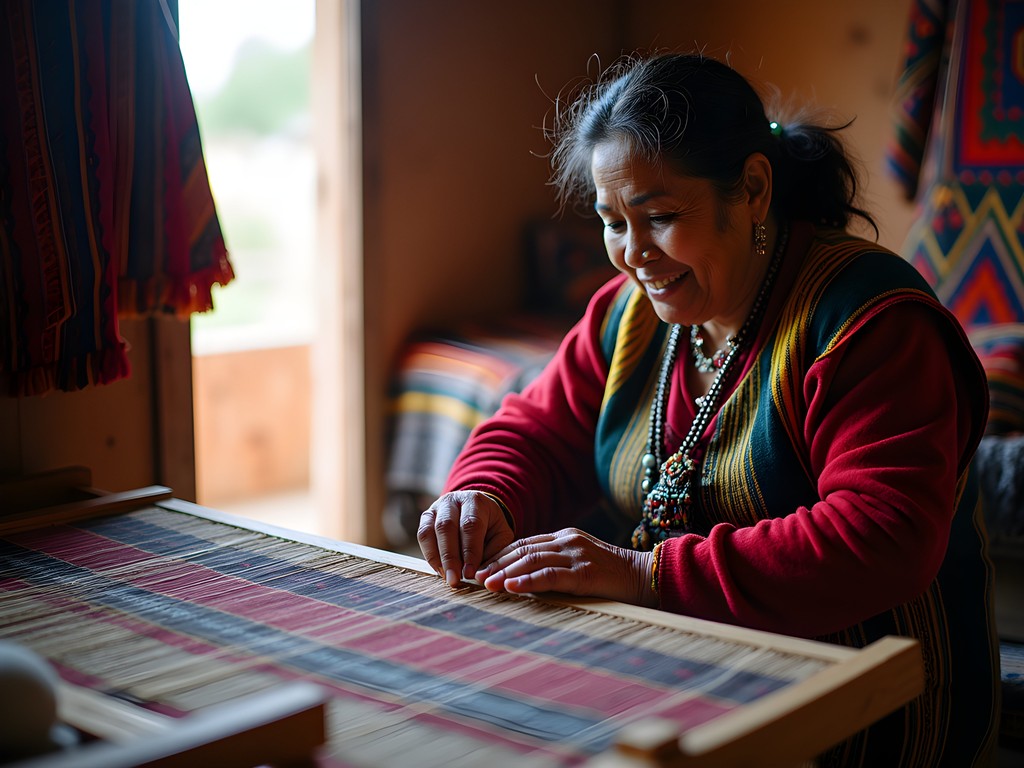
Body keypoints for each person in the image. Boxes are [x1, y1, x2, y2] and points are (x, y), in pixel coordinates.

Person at [417, 51, 999, 766]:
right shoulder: (630, 315)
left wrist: (643, 574)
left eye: (660, 217)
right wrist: (481, 495)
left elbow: (881, 539)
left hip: (868, 708)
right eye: (612, 223)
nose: (633, 255)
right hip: (681, 670)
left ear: (753, 188)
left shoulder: (868, 324)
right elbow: (536, 429)